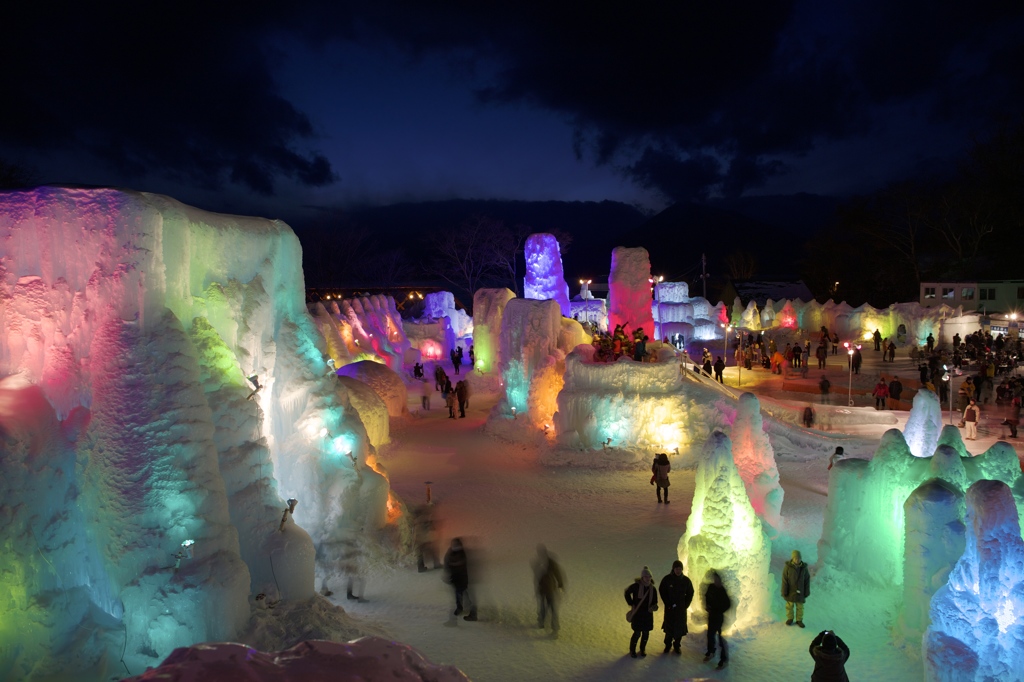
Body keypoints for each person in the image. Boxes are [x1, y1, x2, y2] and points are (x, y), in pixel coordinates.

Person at [659, 560, 694, 654]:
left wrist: (685, 605)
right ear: (673, 569)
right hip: (670, 609)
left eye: (679, 569)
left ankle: (677, 645)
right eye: (676, 569)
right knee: (669, 628)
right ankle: (667, 645)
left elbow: (690, 593)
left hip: (681, 610)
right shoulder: (667, 579)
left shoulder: (686, 581)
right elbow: (662, 591)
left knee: (679, 627)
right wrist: (667, 603)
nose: (678, 571)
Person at [625, 566, 659, 658]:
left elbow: (655, 602)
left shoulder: (653, 589)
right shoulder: (636, 586)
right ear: (642, 577)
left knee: (646, 633)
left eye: (649, 577)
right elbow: (627, 592)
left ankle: (642, 649)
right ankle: (632, 650)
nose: (648, 578)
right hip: (638, 614)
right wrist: (631, 603)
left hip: (647, 615)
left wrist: (654, 607)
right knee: (637, 633)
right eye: (646, 576)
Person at [702, 571, 731, 670]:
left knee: (720, 638)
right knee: (710, 635)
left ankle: (723, 660)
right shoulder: (711, 587)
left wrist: (719, 611)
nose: (716, 581)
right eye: (714, 579)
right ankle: (711, 652)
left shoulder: (722, 591)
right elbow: (706, 596)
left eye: (717, 579)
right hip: (711, 616)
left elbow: (728, 604)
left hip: (718, 618)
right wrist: (707, 606)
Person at [534, 545, 565, 635]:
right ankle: (543, 623)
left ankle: (553, 627)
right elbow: (538, 577)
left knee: (550, 607)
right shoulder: (540, 563)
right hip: (544, 589)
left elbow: (557, 573)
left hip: (548, 589)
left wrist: (560, 584)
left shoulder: (549, 563)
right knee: (545, 607)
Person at [443, 538, 476, 620]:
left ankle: (472, 612)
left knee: (464, 594)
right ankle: (460, 608)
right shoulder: (451, 553)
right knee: (459, 593)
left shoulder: (460, 553)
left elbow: (458, 564)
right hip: (457, 578)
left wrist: (451, 567)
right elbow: (447, 563)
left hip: (461, 578)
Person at [781, 549, 810, 627]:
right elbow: (784, 580)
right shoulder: (788, 567)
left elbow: (807, 580)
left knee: (800, 607)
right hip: (790, 591)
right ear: (792, 558)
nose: (797, 560)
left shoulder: (804, 568)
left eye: (799, 558)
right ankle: (790, 618)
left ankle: (799, 620)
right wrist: (784, 590)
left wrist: (806, 591)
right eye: (795, 558)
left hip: (801, 591)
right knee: (789, 606)